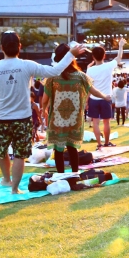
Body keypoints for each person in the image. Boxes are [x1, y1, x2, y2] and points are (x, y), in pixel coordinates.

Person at [0, 31, 86, 193]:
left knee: (2, 150)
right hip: (23, 118)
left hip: (2, 118)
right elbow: (54, 71)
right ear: (20, 46)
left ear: (1, 47)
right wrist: (70, 55)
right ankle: (15, 188)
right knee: (19, 154)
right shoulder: (27, 65)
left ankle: (6, 179)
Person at [42, 43, 111, 173]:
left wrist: (44, 110)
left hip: (57, 121)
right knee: (73, 148)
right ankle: (74, 173)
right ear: (72, 57)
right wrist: (105, 96)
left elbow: (45, 99)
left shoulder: (52, 78)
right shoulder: (80, 76)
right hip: (74, 120)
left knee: (58, 149)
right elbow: (94, 91)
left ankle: (60, 175)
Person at [85, 46, 115, 148]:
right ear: (104, 55)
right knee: (106, 122)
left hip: (94, 99)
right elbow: (119, 57)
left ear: (93, 57)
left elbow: (90, 87)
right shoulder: (109, 66)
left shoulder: (90, 70)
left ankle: (99, 144)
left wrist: (86, 101)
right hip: (106, 98)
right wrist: (120, 46)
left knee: (95, 123)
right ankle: (107, 143)